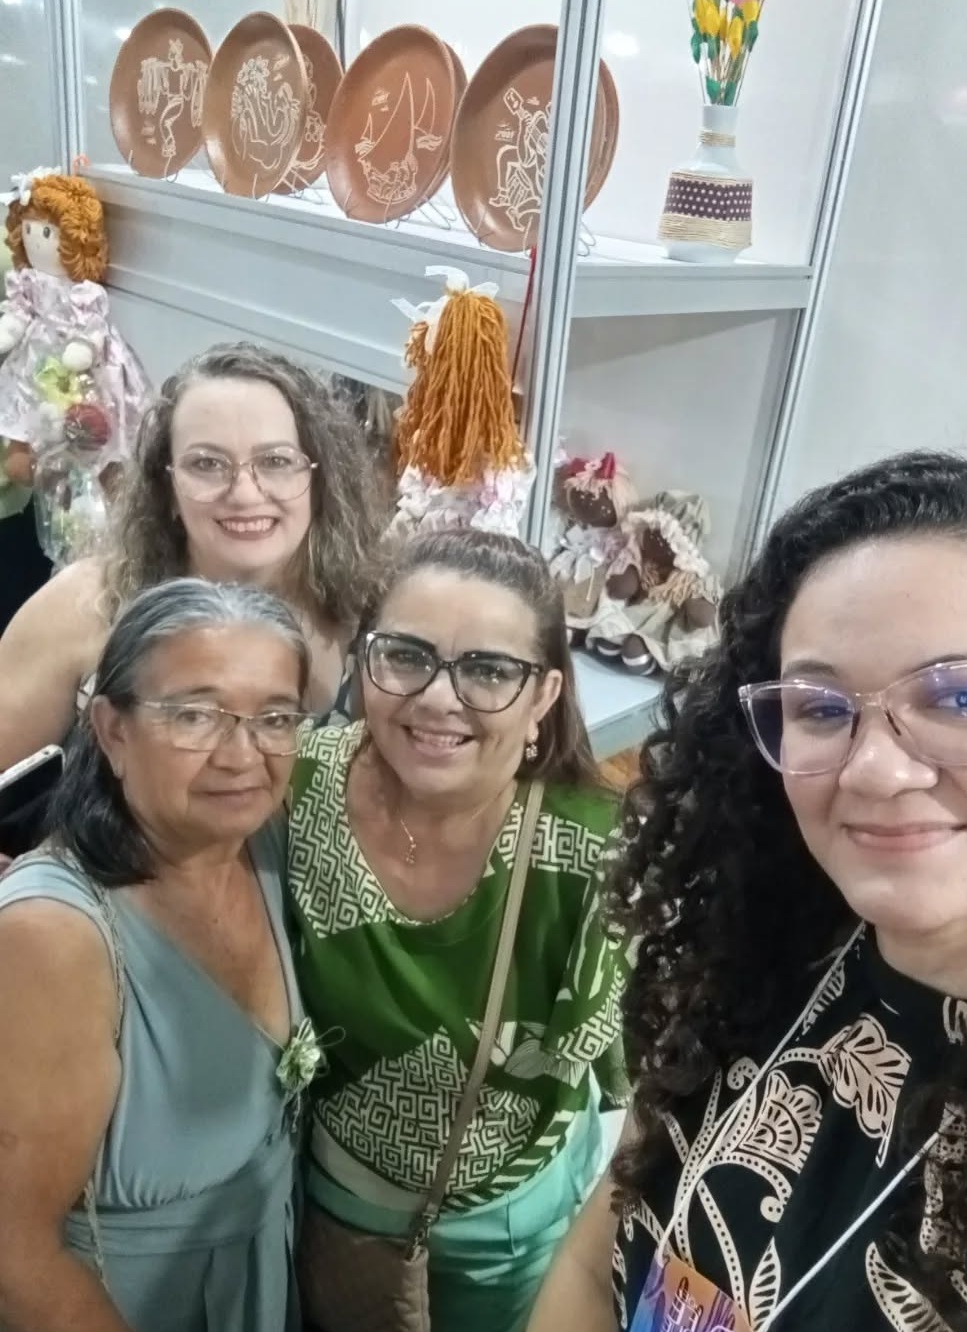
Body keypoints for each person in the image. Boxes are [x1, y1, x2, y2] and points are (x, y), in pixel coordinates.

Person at [528, 451, 967, 1332]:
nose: (877, 770)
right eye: (822, 708)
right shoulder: (746, 960)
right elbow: (599, 1261)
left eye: (963, 696)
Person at [289, 528, 630, 1332]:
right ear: (362, 659)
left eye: (489, 670)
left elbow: (662, 1071)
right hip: (316, 1191)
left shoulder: (602, 851)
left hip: (501, 1230)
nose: (440, 698)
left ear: (544, 695)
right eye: (406, 656)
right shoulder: (296, 783)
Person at [0, 578, 313, 1332]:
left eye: (274, 717)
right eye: (195, 715)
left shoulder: (262, 844)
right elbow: (13, 1254)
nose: (242, 754)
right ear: (112, 731)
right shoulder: (52, 938)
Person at [0, 340, 384, 774]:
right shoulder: (84, 607)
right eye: (207, 464)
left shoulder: (372, 619)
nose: (244, 493)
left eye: (276, 461)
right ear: (166, 488)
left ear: (320, 479)